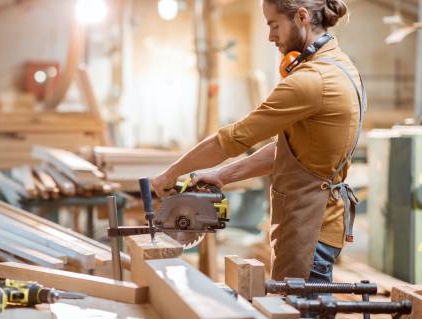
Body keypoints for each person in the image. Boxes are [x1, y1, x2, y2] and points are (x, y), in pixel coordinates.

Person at [151, 0, 366, 283]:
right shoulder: (341, 66)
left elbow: (231, 140)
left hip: (308, 226)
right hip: (318, 222)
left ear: (302, 17)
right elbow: (289, 150)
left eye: (274, 25)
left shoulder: (311, 81)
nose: (271, 36)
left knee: (298, 312)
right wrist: (221, 174)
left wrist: (169, 175)